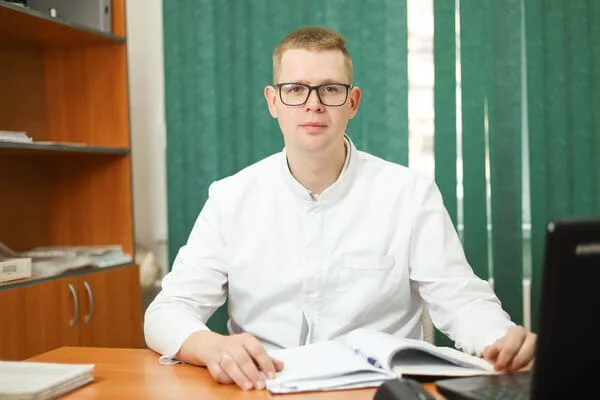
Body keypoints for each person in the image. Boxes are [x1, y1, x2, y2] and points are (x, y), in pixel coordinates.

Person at [144, 25, 537, 391]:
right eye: (295, 89)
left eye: (330, 89)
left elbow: (461, 301)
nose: (313, 104)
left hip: (376, 392)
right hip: (262, 388)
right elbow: (167, 311)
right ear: (273, 102)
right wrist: (211, 346)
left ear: (353, 102)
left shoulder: (410, 194)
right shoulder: (231, 198)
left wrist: (501, 340)